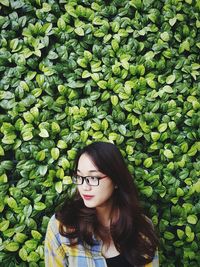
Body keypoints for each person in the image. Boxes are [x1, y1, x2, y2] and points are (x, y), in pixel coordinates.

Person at [45, 141, 159, 267]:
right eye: (79, 177)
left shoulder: (141, 228)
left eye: (93, 178)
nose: (84, 187)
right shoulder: (61, 227)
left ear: (116, 179)